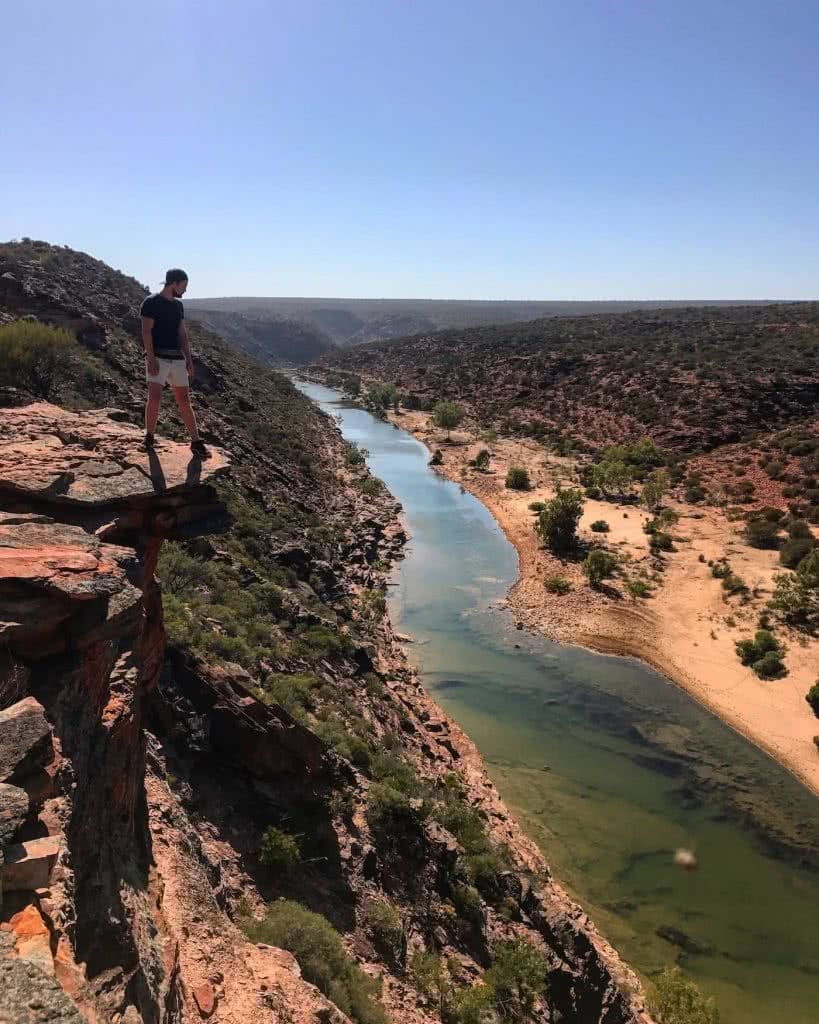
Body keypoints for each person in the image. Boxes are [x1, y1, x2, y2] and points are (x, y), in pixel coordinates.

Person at [140, 268, 210, 458]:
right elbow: (146, 332)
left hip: (177, 359)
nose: (185, 291)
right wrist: (151, 358)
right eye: (184, 286)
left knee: (184, 401)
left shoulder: (178, 307)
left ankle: (195, 441)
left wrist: (188, 359)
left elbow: (182, 334)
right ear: (174, 283)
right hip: (159, 358)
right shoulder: (151, 303)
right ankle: (149, 437)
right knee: (154, 398)